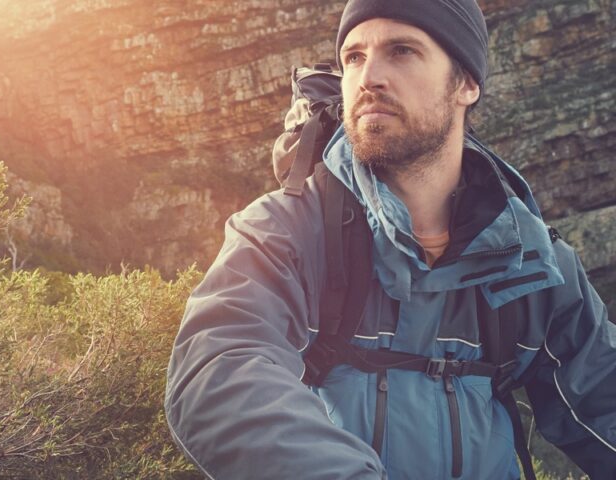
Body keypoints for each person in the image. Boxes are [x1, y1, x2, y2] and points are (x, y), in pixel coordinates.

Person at [164, 1, 616, 478]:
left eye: (401, 50)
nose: (369, 77)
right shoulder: (284, 231)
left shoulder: (531, 262)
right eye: (354, 58)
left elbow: (603, 400)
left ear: (466, 84)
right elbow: (218, 371)